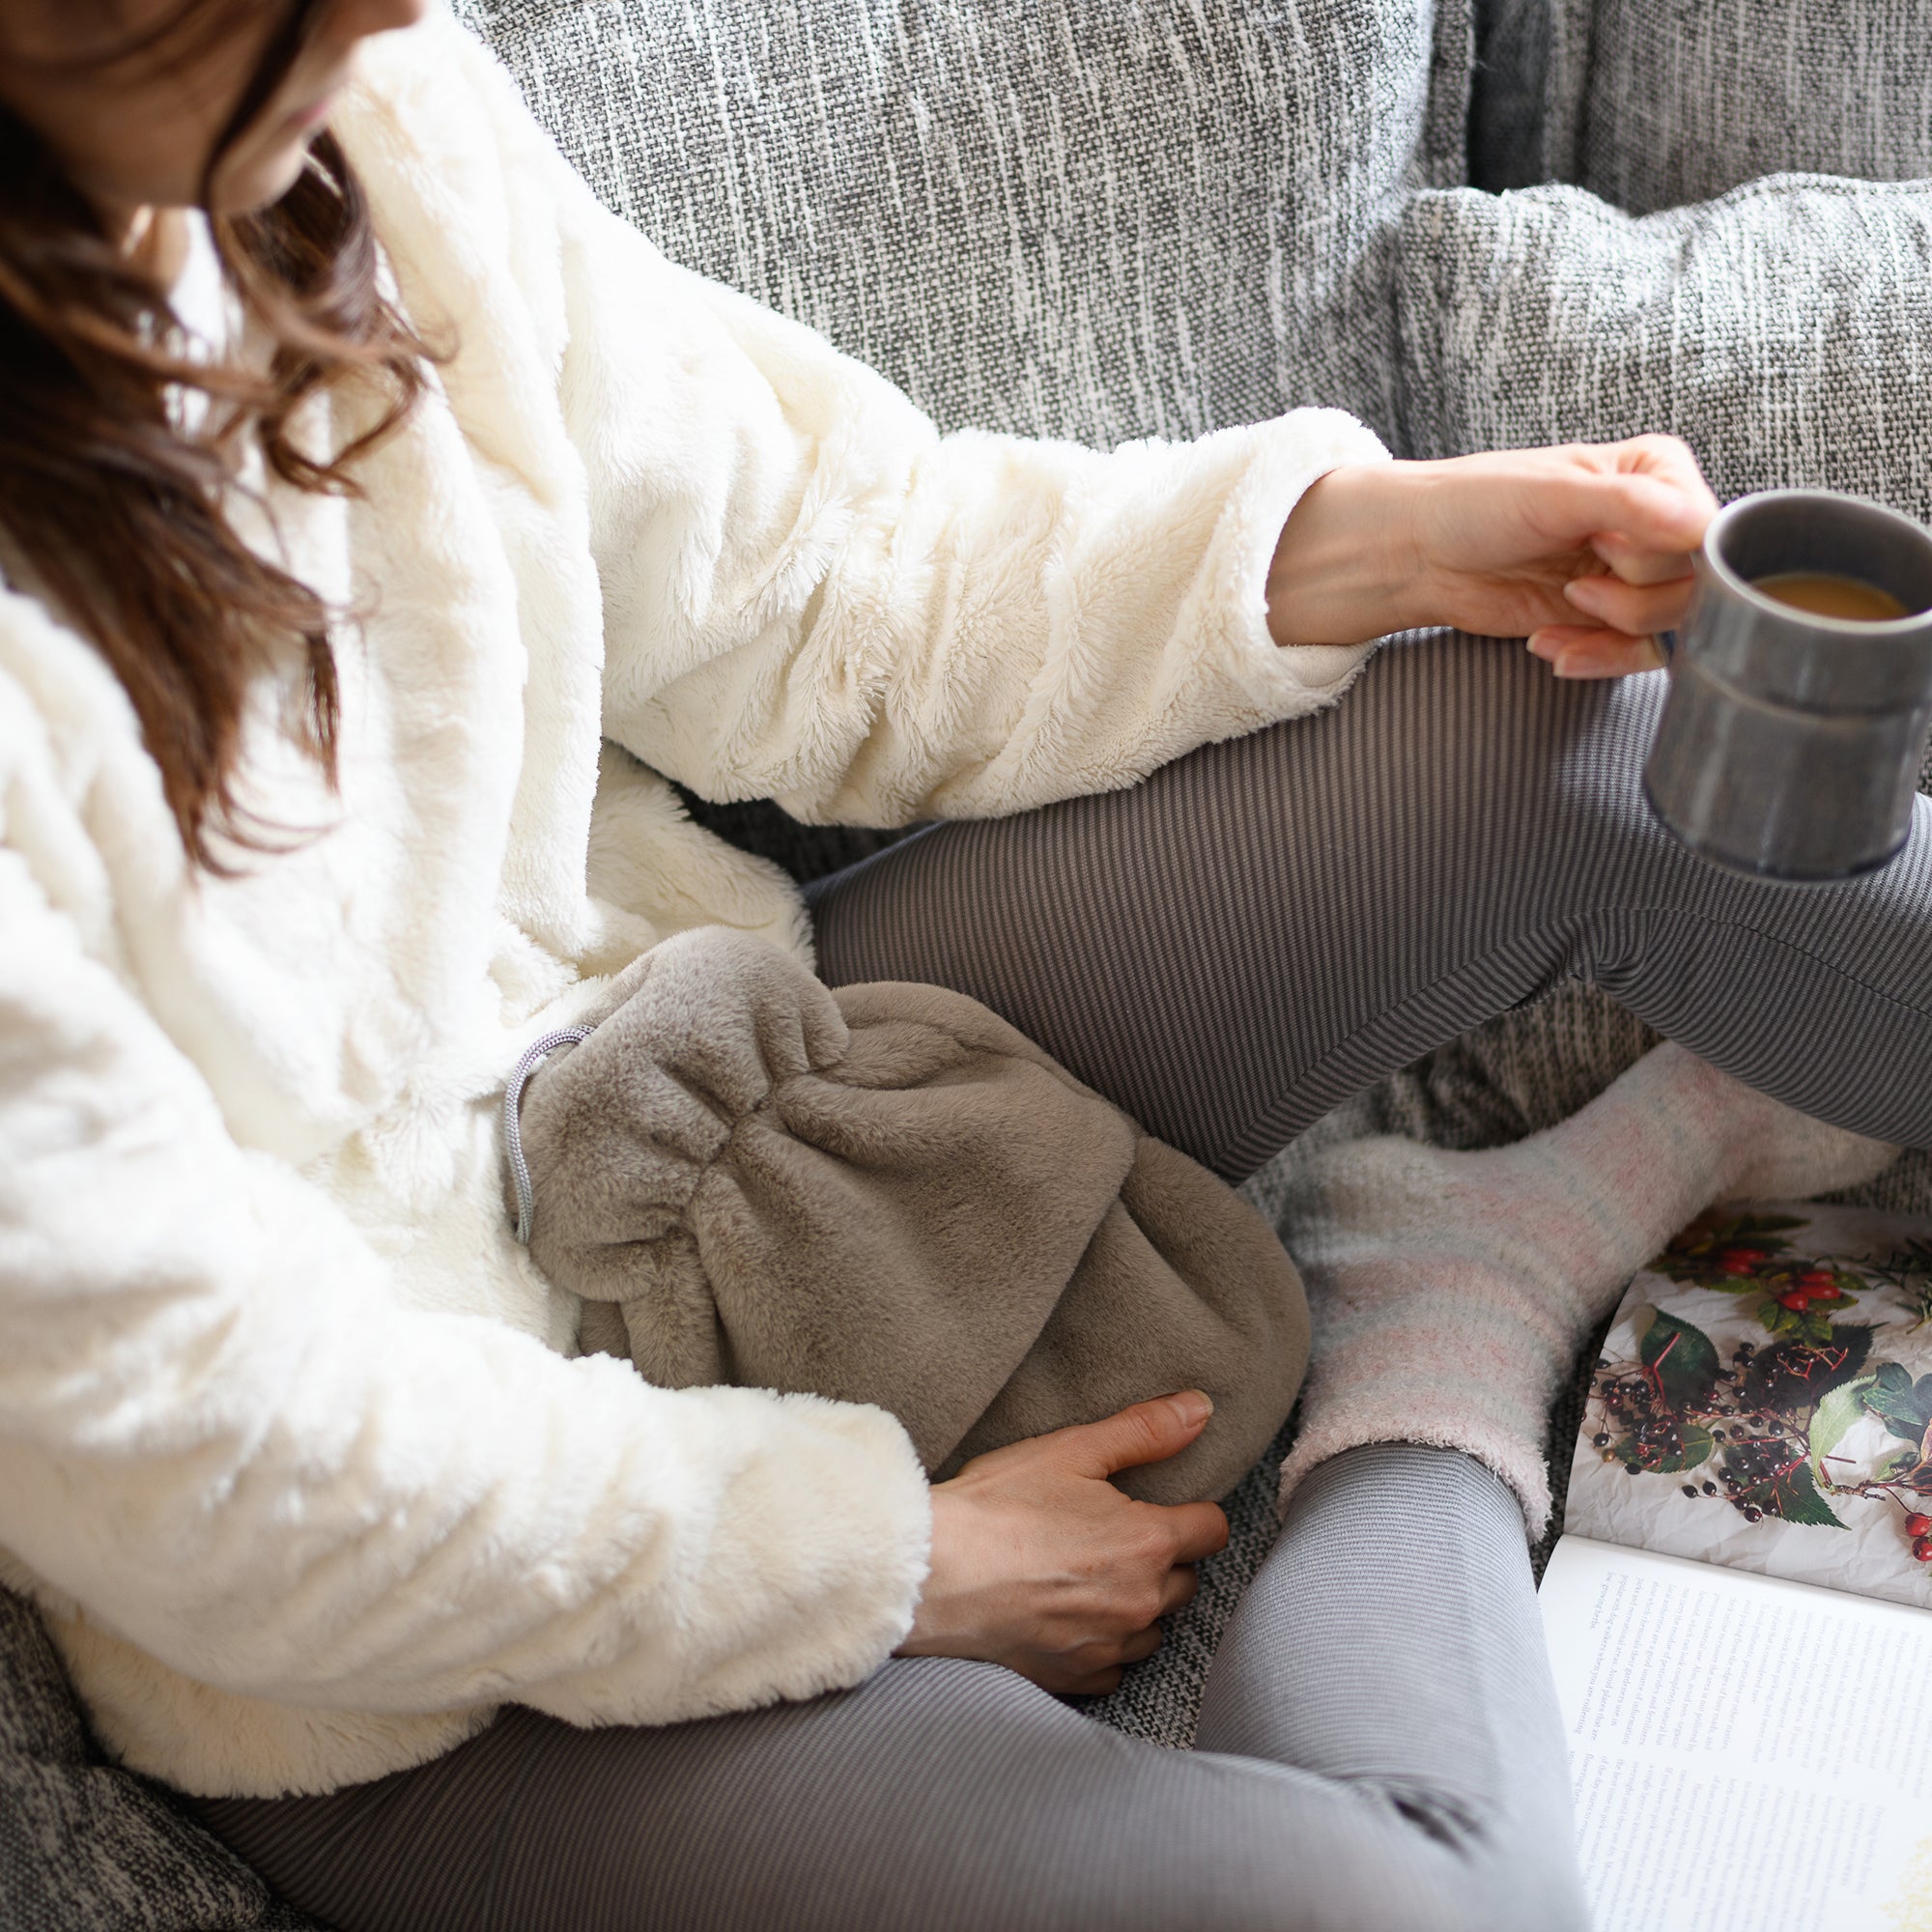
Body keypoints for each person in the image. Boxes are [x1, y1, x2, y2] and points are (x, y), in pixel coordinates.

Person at [1, 1, 1926, 1927]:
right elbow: (221, 1451)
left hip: (764, 1104)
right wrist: (884, 1561)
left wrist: (1361, 544)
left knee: (1563, 742)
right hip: (424, 1642)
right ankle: (1459, 1301)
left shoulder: (365, 120)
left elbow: (815, 572)